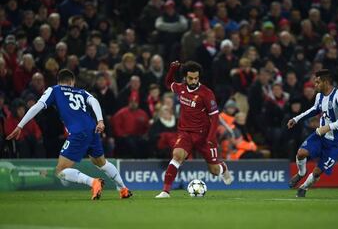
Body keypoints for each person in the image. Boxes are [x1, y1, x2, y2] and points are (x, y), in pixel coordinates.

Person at [6, 69, 132, 200]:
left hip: (78, 132)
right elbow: (94, 101)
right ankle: (123, 189)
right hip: (93, 129)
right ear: (72, 81)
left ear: (59, 81)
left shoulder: (54, 90)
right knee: (101, 162)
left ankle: (93, 182)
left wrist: (20, 125)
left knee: (60, 171)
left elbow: (37, 106)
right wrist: (100, 120)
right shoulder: (81, 91)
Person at [155, 61, 232, 198]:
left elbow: (215, 117)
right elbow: (168, 83)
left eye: (196, 78)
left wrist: (211, 137)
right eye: (190, 78)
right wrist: (172, 70)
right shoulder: (181, 88)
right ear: (185, 77)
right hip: (185, 133)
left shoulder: (206, 93)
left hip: (204, 136)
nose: (194, 81)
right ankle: (165, 191)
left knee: (214, 171)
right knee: (177, 155)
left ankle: (223, 168)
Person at [287, 69, 338, 197]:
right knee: (301, 153)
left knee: (317, 172)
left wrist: (328, 127)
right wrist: (296, 119)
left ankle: (304, 187)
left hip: (337, 142)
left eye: (317, 82)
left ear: (326, 82)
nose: (314, 85)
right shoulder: (319, 96)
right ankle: (301, 173)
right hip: (321, 136)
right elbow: (314, 110)